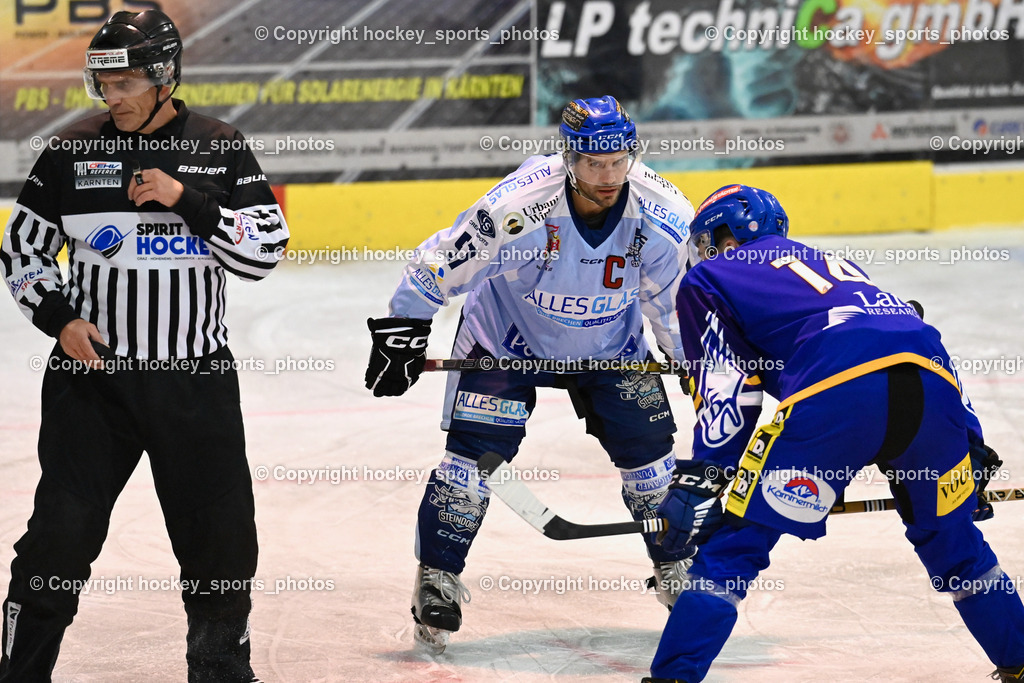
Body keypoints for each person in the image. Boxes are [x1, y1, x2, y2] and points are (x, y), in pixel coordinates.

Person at [0, 10, 288, 682]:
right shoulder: (72, 152)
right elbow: (24, 248)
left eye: (126, 80)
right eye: (104, 80)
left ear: (164, 77)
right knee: (58, 539)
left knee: (220, 549)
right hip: (93, 383)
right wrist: (60, 317)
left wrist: (187, 198)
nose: (114, 95)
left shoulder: (220, 146)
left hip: (195, 385)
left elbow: (264, 251)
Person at [643, 185, 1024, 682]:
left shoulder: (710, 277)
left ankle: (674, 676)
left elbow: (729, 387)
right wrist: (970, 445)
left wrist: (703, 477)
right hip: (933, 393)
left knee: (735, 545)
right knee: (956, 544)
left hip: (841, 394)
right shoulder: (836, 265)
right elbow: (923, 341)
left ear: (717, 239)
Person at [364, 96, 695, 652]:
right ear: (569, 157)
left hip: (610, 346)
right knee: (472, 459)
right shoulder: (520, 208)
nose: (609, 176)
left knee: (652, 458)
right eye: (594, 163)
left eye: (619, 161)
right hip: (506, 341)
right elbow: (438, 264)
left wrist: (696, 369)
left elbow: (672, 305)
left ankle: (676, 565)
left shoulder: (662, 216)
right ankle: (438, 576)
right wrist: (403, 331)